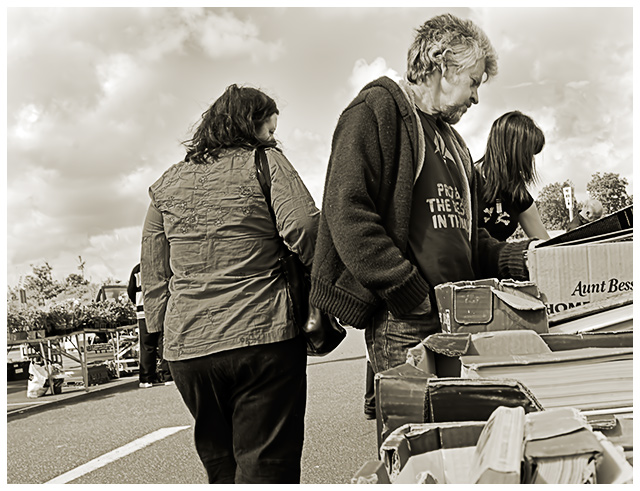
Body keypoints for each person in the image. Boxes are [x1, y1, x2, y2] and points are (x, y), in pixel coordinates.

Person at [310, 13, 537, 377]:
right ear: (441, 63)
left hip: (458, 316)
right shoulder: (376, 110)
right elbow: (346, 211)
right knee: (414, 428)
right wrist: (405, 289)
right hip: (406, 323)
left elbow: (469, 235)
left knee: (457, 429)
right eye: (473, 82)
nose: (476, 97)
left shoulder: (455, 142)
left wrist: (522, 257)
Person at [141, 84, 319, 484]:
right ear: (250, 126)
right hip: (263, 334)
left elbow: (154, 270)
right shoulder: (266, 162)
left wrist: (159, 335)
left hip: (189, 349)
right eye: (269, 130)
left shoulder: (167, 183)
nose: (274, 138)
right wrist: (318, 281)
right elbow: (305, 229)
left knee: (220, 463)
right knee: (266, 462)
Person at [476, 111, 550, 241]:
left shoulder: (519, 195)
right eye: (527, 154)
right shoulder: (467, 180)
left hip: (500, 260)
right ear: (510, 148)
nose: (530, 161)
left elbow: (545, 245)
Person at [126, 263, 172, 387]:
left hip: (143, 312)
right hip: (162, 310)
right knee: (164, 342)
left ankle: (146, 379)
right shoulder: (164, 265)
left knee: (147, 345)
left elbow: (130, 291)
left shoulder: (137, 269)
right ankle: (168, 376)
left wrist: (138, 302)